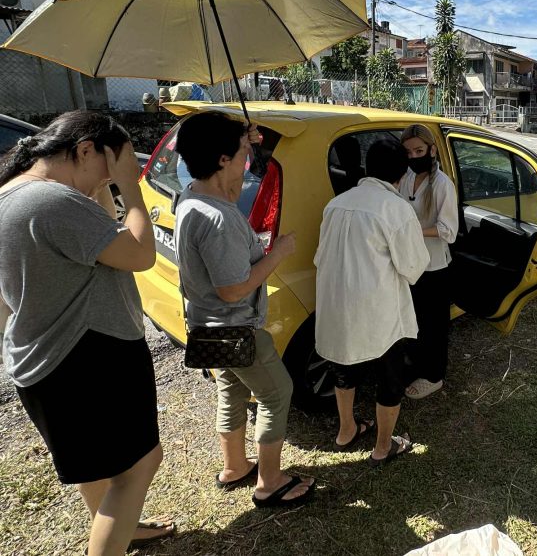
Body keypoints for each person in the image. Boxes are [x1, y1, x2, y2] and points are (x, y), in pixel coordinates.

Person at [0, 111, 173, 555]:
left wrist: (100, 186)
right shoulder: (52, 203)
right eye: (111, 164)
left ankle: (119, 530)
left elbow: (102, 235)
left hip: (42, 360)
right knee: (139, 465)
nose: (115, 176)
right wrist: (131, 190)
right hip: (89, 356)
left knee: (96, 469)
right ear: (84, 150)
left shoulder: (11, 196)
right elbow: (137, 253)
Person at [173, 112, 314, 509]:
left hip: (206, 325)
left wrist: (247, 144)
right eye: (240, 153)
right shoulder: (218, 220)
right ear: (222, 160)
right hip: (235, 327)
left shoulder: (195, 196)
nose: (245, 159)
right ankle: (270, 481)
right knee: (276, 391)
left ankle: (235, 466)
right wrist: (278, 253)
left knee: (231, 387)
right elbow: (234, 289)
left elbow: (231, 193)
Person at [314, 139, 429, 466]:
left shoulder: (336, 203)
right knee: (389, 379)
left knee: (344, 368)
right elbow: (413, 267)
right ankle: (383, 447)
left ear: (368, 168)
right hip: (377, 311)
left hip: (335, 302)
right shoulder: (396, 209)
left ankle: (346, 431)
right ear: (402, 173)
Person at [398, 124, 459, 400]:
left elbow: (449, 231)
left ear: (432, 150)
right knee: (413, 322)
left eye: (419, 151)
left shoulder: (444, 185)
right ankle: (415, 366)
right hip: (409, 263)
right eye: (408, 152)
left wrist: (413, 229)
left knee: (433, 326)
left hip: (434, 267)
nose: (413, 157)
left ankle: (434, 376)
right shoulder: (406, 176)